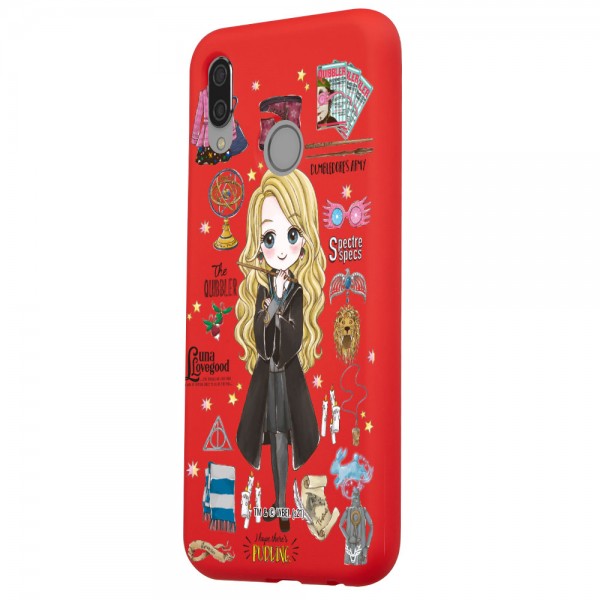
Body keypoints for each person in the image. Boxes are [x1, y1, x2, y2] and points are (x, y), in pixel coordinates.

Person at [235, 169, 326, 532]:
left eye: (292, 235)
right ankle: (280, 502)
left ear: (304, 239)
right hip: (267, 377)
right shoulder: (262, 291)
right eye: (270, 238)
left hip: (287, 379)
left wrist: (278, 310)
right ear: (259, 244)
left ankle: (284, 504)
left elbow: (294, 339)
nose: (282, 249)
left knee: (285, 438)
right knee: (273, 438)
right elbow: (260, 341)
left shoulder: (297, 292)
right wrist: (269, 307)